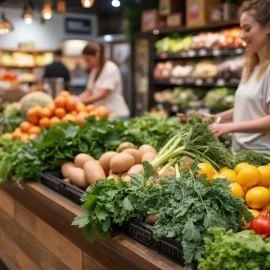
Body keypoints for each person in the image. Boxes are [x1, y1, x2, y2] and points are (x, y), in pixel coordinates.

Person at [209, 0, 270, 155]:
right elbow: (248, 109)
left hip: (262, 159)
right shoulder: (252, 68)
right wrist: (217, 118)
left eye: (247, 29)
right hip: (241, 156)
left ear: (268, 28)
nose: (242, 35)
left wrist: (230, 127)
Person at [78, 42, 130, 119]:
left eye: (88, 60)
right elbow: (89, 91)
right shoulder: (94, 70)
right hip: (101, 115)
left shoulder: (110, 68)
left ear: (97, 55)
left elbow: (102, 94)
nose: (88, 63)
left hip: (116, 114)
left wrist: (83, 101)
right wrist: (76, 99)